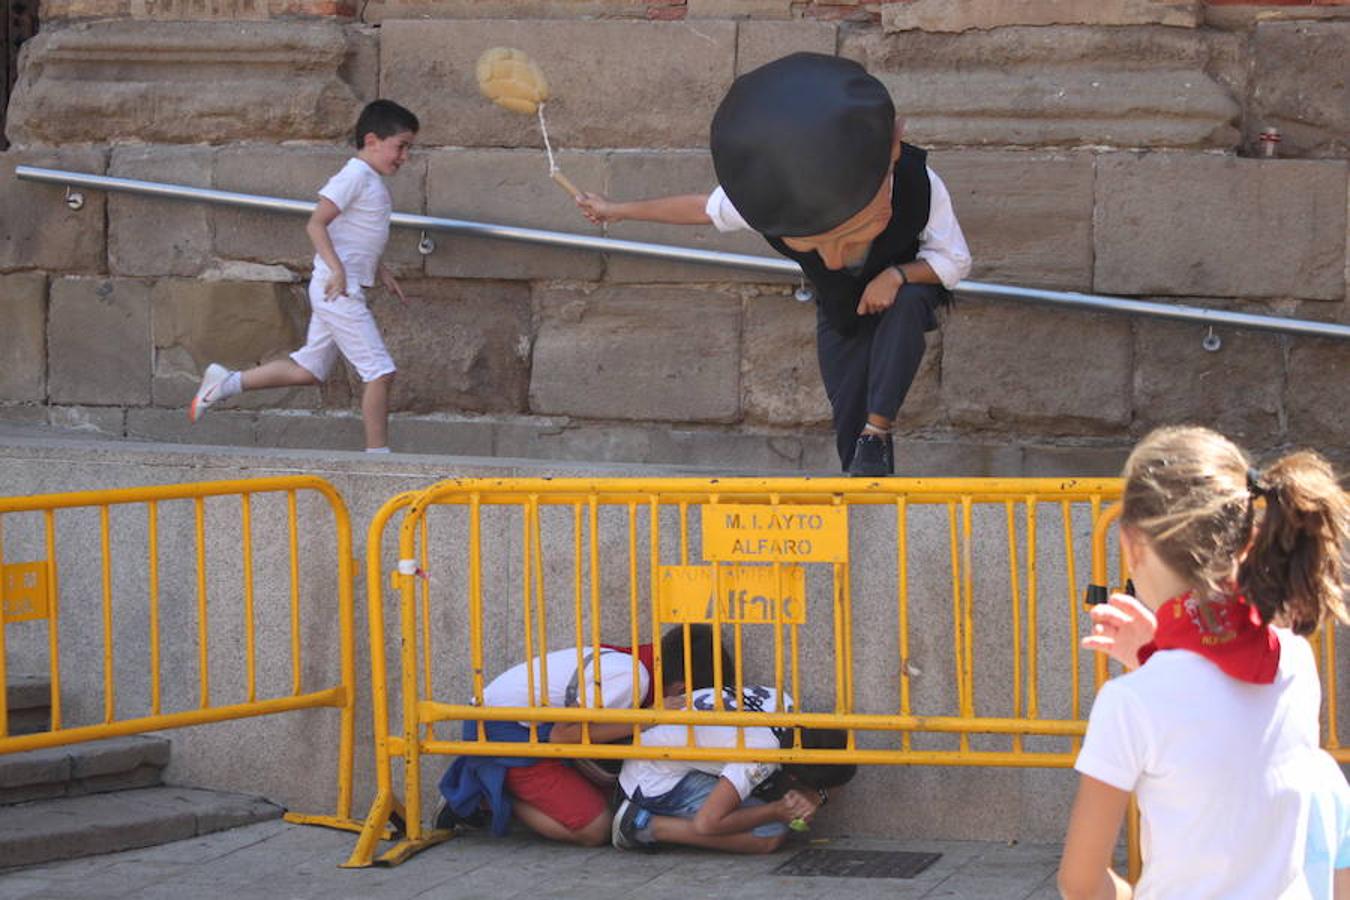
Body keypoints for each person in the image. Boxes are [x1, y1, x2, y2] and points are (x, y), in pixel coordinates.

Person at [575, 53, 971, 477]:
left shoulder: (919, 184)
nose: (832, 258)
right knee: (848, 410)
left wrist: (896, 275)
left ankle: (878, 429)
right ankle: (864, 476)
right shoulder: (782, 194)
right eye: (816, 244)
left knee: (908, 305)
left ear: (893, 147)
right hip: (840, 305)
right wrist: (617, 210)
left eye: (854, 233)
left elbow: (954, 259)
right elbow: (700, 209)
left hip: (903, 294)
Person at [1057, 426, 1349, 899]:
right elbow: (1227, 734)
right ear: (1247, 541)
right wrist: (1157, 655)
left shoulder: (1131, 702)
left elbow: (1080, 880)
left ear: (1132, 544)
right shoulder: (1294, 659)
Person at [187, 99, 419, 453]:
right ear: (372, 140)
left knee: (308, 370)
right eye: (400, 146)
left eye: (408, 148)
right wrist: (339, 270)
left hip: (340, 285)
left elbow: (356, 235)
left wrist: (380, 270)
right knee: (380, 372)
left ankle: (225, 383)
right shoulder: (354, 175)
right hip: (337, 290)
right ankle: (378, 456)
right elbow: (316, 223)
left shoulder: (368, 179)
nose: (404, 157)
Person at [436, 624, 733, 847]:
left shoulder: (637, 663)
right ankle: (484, 796)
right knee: (595, 829)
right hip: (503, 733)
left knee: (607, 796)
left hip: (521, 726)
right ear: (681, 689)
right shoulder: (632, 679)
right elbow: (562, 736)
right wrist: (651, 718)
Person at [611, 683, 857, 854]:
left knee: (752, 796)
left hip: (650, 748)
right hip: (649, 779)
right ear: (792, 776)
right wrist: (776, 811)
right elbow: (707, 823)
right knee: (770, 834)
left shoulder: (786, 704)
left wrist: (815, 796)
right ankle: (643, 826)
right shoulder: (761, 754)